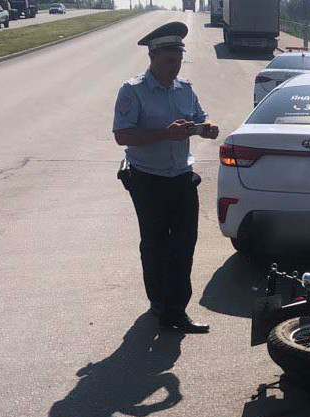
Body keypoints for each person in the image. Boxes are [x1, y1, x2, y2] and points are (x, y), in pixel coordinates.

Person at [112, 21, 219, 334]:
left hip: (181, 176)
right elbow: (122, 135)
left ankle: (176, 310)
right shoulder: (133, 91)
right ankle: (158, 300)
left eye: (179, 60)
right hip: (147, 179)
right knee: (156, 243)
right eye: (170, 60)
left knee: (185, 243)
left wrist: (207, 127)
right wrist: (163, 133)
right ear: (153, 57)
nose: (176, 66)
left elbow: (201, 117)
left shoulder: (184, 88)